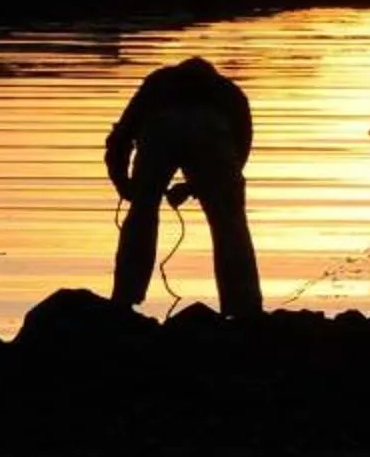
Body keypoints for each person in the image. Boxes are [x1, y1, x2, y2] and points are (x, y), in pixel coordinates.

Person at [105, 55, 263, 317]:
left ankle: (124, 298)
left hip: (159, 129)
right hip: (212, 132)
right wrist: (196, 188)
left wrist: (126, 184)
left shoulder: (155, 85)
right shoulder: (231, 95)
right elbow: (235, 166)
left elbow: (119, 140)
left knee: (142, 213)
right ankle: (243, 305)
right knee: (229, 221)